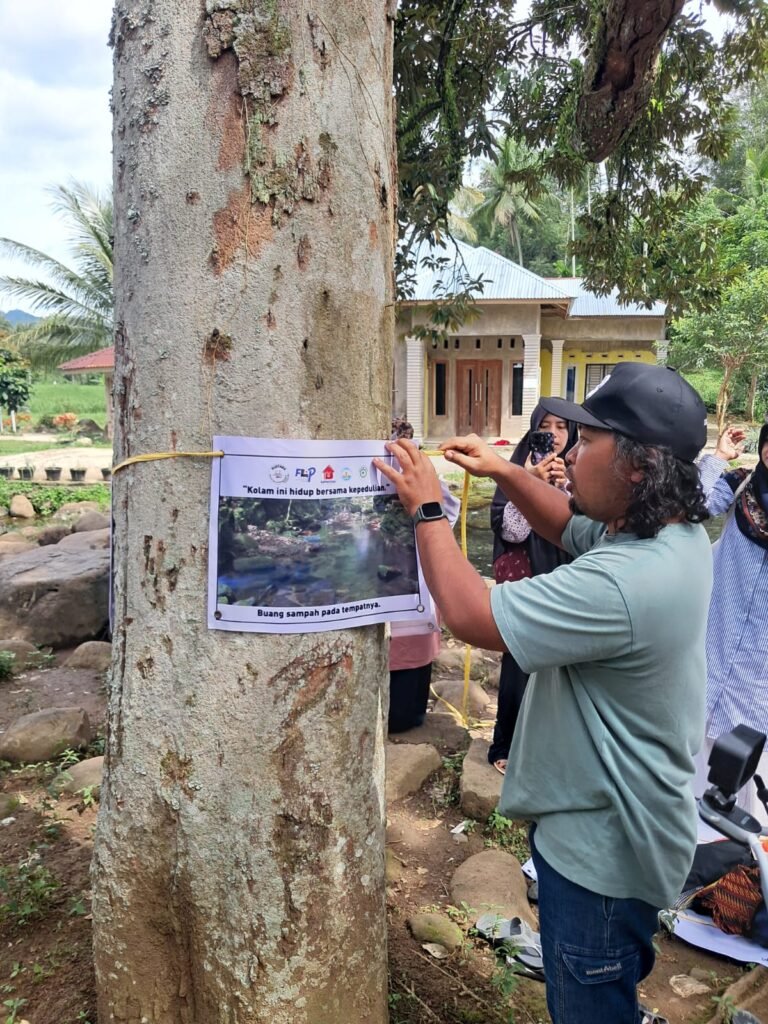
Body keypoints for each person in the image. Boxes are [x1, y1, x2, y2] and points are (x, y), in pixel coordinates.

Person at [374, 363, 711, 1024]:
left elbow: (472, 615)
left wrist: (428, 508)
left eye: (588, 440)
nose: (568, 454)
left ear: (639, 466)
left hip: (601, 858)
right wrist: (504, 471)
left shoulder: (628, 582)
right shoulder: (672, 534)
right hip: (614, 832)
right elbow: (565, 526)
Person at [489, 405, 578, 772]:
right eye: (545, 426)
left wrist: (567, 487)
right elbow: (510, 532)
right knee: (519, 660)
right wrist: (527, 484)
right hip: (527, 583)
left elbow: (592, 525)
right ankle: (506, 744)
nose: (553, 434)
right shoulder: (515, 470)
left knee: (564, 667)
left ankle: (552, 748)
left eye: (561, 427)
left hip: (568, 580)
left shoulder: (581, 469)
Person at [694, 421, 768, 825]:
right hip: (709, 661)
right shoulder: (741, 486)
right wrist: (718, 457)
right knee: (688, 787)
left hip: (757, 690)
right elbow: (692, 507)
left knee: (746, 801)